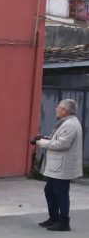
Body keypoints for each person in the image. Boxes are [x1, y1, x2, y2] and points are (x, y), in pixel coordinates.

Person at [33, 98, 84, 231]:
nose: (56, 109)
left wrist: (42, 143)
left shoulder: (70, 124)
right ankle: (54, 218)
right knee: (50, 191)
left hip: (62, 166)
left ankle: (64, 222)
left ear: (65, 111)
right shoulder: (67, 122)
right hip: (58, 166)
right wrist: (47, 139)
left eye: (59, 107)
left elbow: (62, 144)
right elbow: (60, 139)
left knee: (61, 193)